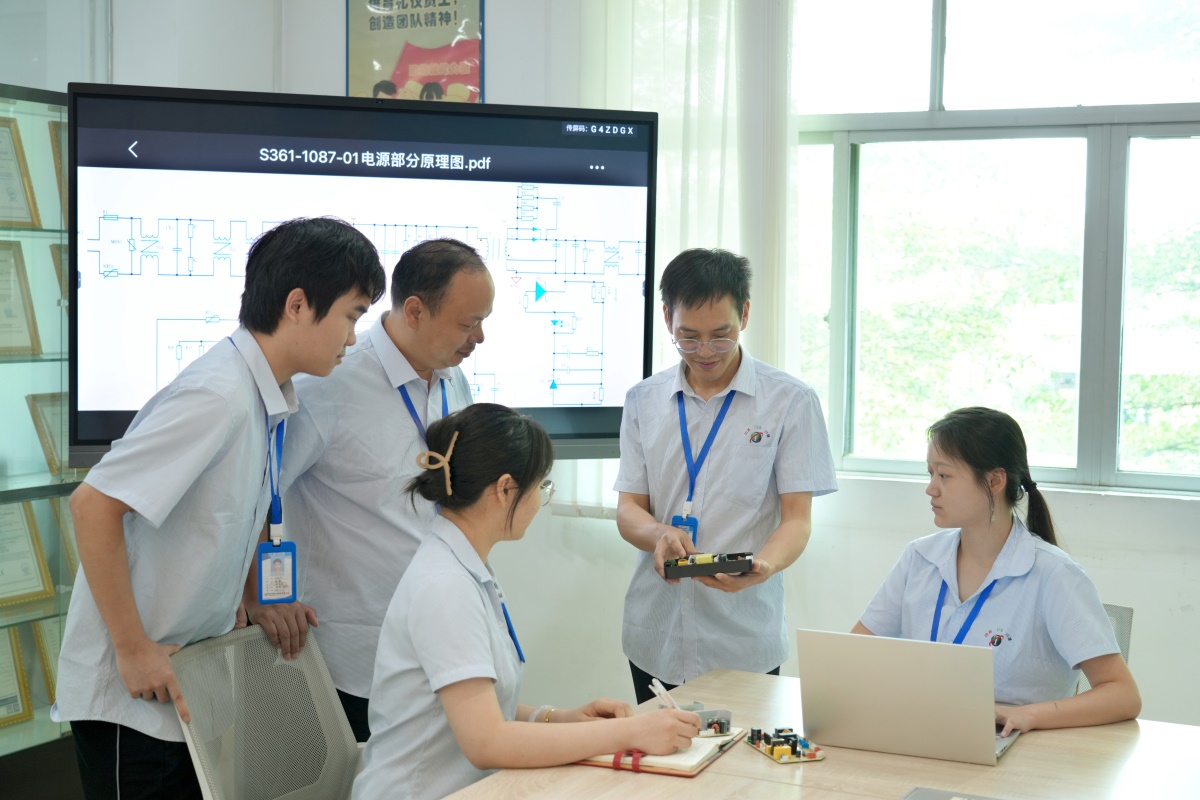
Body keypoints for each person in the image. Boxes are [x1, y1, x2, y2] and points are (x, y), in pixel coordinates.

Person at [55, 217, 386, 800]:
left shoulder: (264, 395)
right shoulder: (217, 395)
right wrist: (132, 650)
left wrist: (253, 593)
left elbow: (231, 513)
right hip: (132, 696)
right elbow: (92, 505)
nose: (353, 339)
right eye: (351, 316)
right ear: (298, 305)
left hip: (185, 680)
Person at [353, 404, 700, 800]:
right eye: (541, 486)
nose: (540, 499)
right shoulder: (445, 586)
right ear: (505, 489)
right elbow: (488, 742)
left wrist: (561, 718)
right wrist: (630, 731)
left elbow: (478, 702)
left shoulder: (463, 565)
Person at [273, 237, 493, 741]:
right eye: (468, 323)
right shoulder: (330, 382)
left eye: (483, 321)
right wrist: (264, 594)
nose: (479, 337)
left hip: (438, 641)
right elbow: (259, 492)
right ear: (414, 310)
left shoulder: (452, 379)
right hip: (354, 657)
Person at [614, 248, 838, 704]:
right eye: (688, 337)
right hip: (655, 635)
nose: (705, 352)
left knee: (743, 752)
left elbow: (797, 519)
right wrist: (659, 534)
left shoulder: (790, 402)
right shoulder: (643, 400)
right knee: (661, 749)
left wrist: (765, 565)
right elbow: (628, 509)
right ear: (667, 318)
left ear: (745, 314)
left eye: (721, 336)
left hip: (742, 639)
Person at [851, 407, 1141, 736]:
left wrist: (1028, 715)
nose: (931, 488)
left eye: (944, 475)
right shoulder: (919, 558)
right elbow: (853, 655)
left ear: (994, 481)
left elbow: (1122, 695)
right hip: (924, 731)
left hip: (1012, 743)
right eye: (930, 473)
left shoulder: (1054, 575)